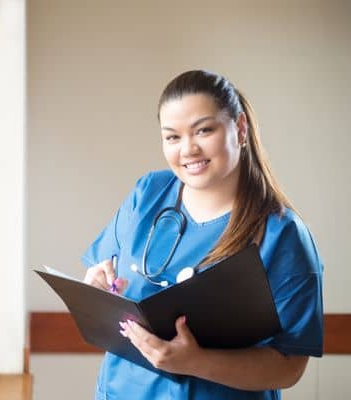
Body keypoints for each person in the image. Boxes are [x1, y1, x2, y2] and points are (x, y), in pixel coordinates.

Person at [82, 70, 323, 399]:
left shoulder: (282, 234)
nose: (188, 149)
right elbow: (103, 274)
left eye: (204, 130)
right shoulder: (148, 193)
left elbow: (290, 365)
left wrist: (197, 362)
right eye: (172, 137)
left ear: (239, 129)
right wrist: (96, 286)